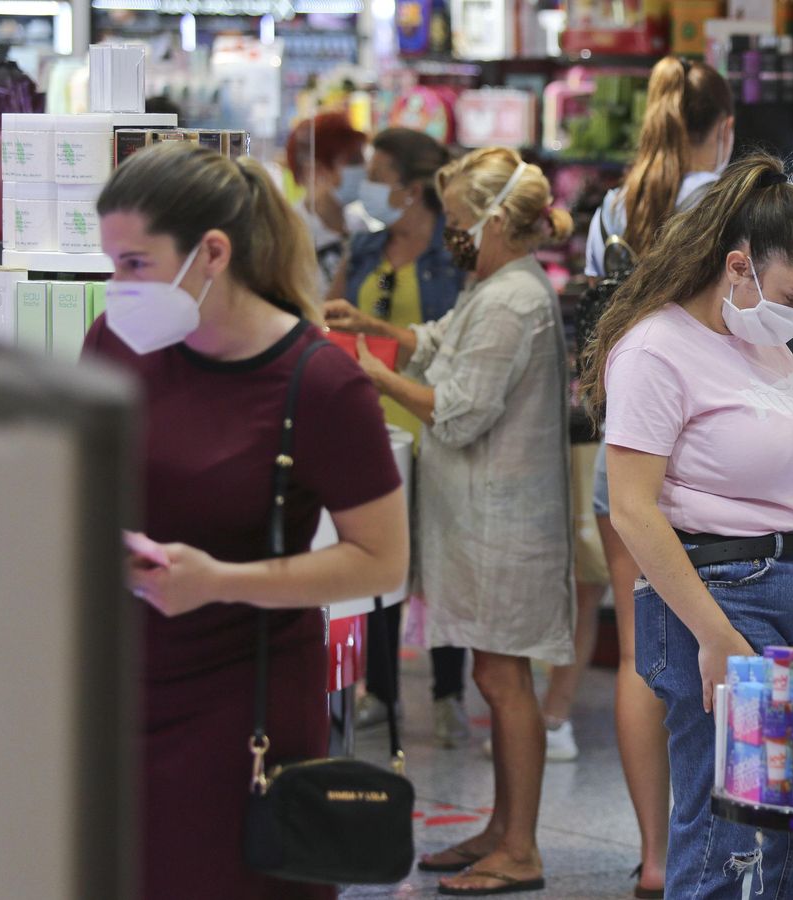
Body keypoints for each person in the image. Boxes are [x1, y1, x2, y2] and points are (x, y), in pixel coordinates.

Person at [85, 141, 409, 900]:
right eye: (111, 264)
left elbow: (381, 560)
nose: (117, 285)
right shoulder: (115, 345)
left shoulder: (319, 383)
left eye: (135, 263)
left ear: (212, 253)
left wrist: (220, 581)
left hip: (244, 709)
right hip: (119, 686)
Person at [581, 153, 793, 900]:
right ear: (738, 265)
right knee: (727, 843)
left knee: (782, 828)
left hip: (784, 590)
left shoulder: (757, 338)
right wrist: (715, 636)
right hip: (718, 595)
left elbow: (746, 457)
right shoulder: (654, 351)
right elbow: (632, 509)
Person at [325, 146, 575, 897]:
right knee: (493, 674)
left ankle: (520, 849)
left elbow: (460, 411)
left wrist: (375, 374)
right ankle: (502, 829)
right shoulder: (494, 286)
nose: (452, 233)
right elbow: (440, 343)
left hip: (503, 524)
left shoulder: (511, 300)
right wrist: (376, 327)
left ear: (497, 220)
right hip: (484, 520)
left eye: (462, 219)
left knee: (504, 678)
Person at [577, 54, 734, 896]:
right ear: (725, 129)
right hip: (712, 460)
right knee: (716, 636)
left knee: (642, 652)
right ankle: (711, 842)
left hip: (627, 447)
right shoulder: (731, 207)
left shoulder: (616, 206)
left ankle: (653, 858)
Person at [328, 126, 469, 742]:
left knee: (439, 564)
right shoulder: (364, 248)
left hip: (432, 420)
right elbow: (330, 313)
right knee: (376, 556)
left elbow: (458, 343)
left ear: (411, 189)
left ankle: (448, 692)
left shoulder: (453, 255)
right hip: (368, 425)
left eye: (377, 175)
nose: (366, 186)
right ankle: (380, 690)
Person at [284, 111, 372, 290]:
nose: (365, 169)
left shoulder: (359, 226)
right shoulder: (288, 232)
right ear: (315, 170)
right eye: (354, 160)